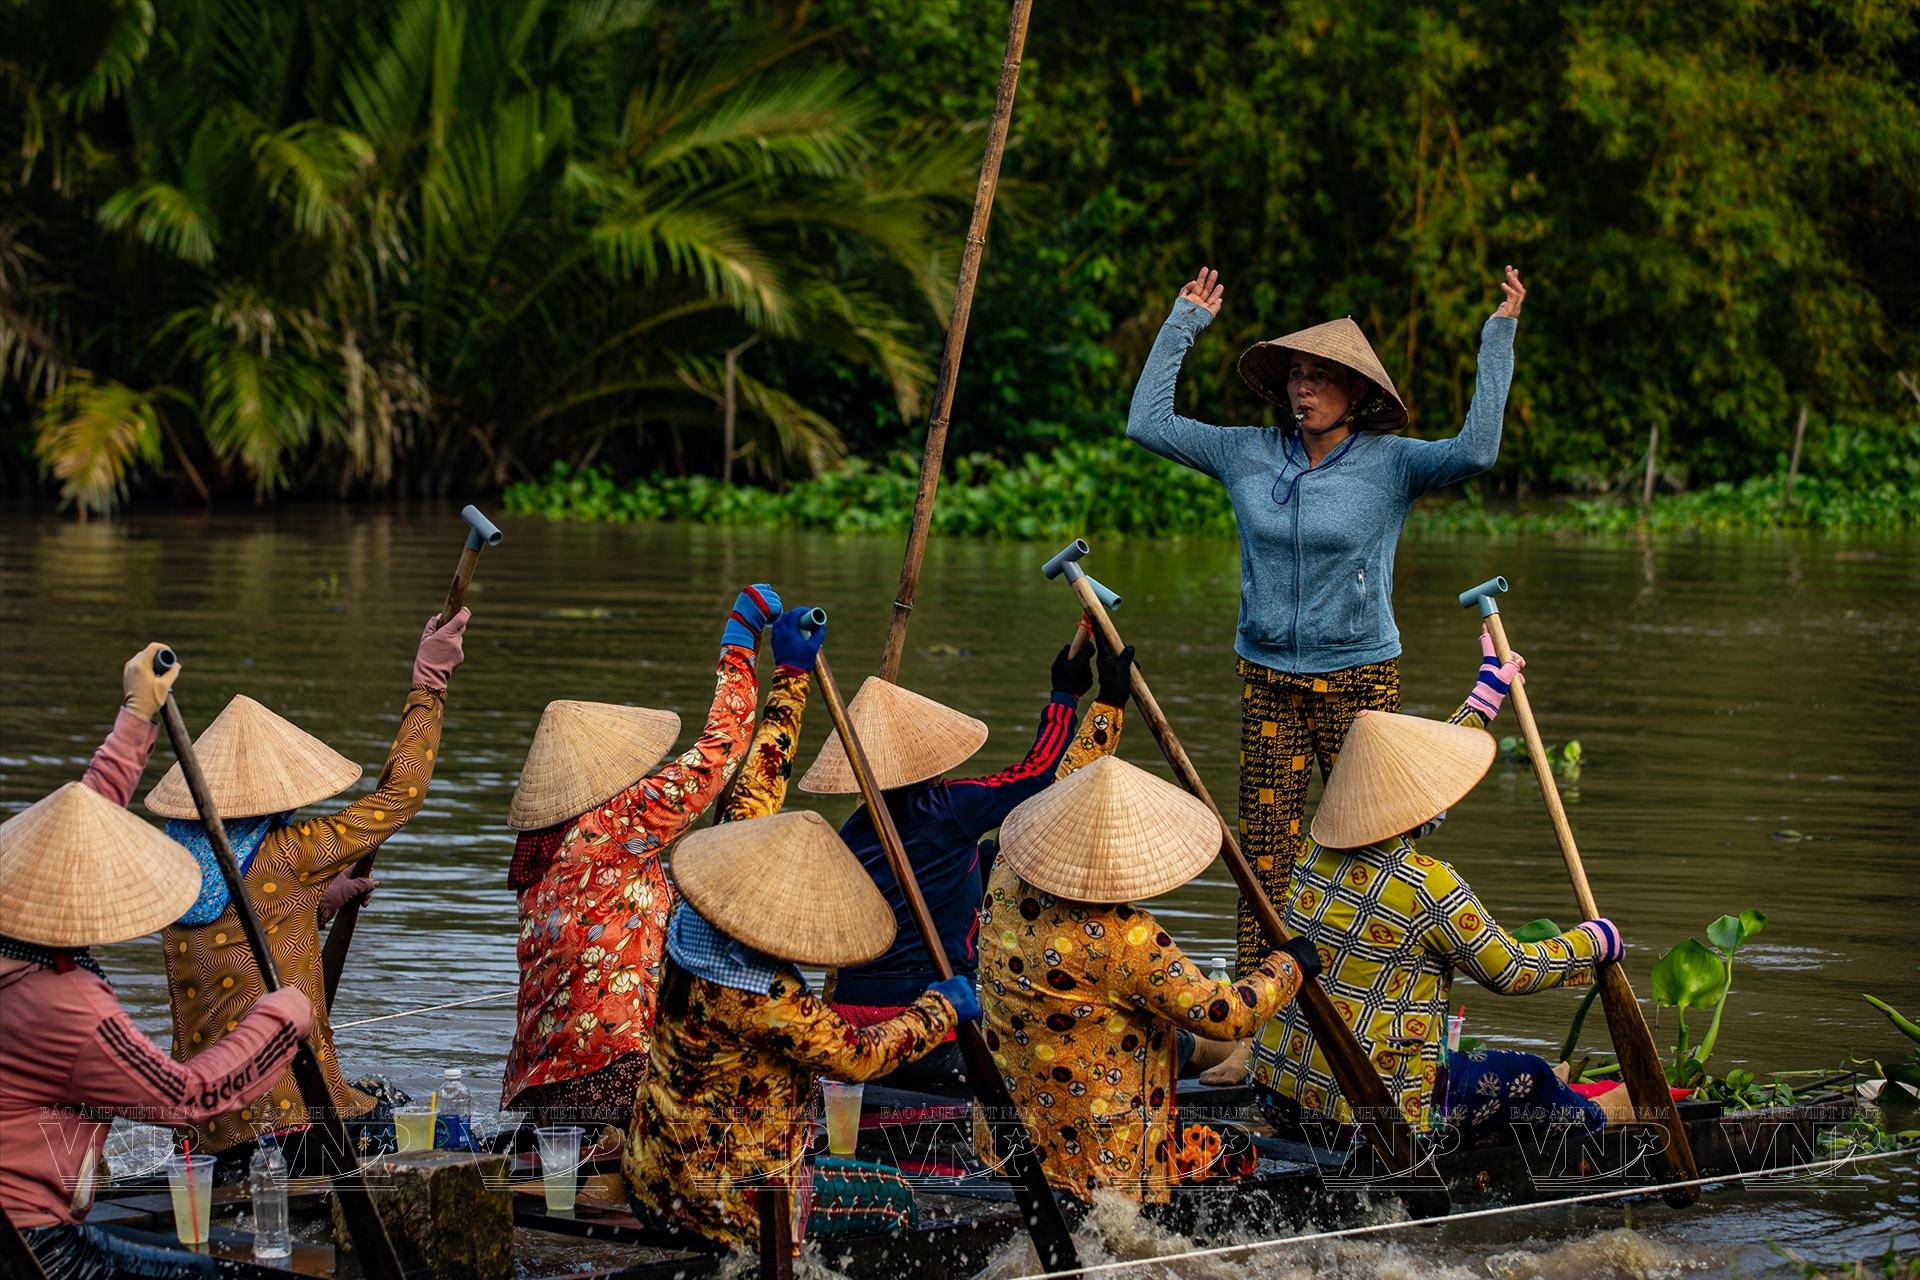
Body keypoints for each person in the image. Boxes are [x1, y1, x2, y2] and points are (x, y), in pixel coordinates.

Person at [1127, 263, 1526, 1084]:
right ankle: (1254, 1034)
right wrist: (1182, 324)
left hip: (1360, 681)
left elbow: (1478, 450)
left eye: (1320, 378)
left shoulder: (1392, 464)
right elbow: (1147, 423)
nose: (1303, 390)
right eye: (1296, 377)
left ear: (1357, 394)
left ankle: (1366, 1017)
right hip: (1267, 677)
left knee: (1374, 852)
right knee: (1263, 860)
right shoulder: (1245, 453)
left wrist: (1499, 335)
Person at [625, 620, 974, 1249]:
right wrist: (939, 1008)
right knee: (895, 1199)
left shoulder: (692, 921)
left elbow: (759, 784)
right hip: (734, 1206)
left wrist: (791, 675)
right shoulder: (768, 998)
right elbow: (859, 1055)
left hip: (654, 1177)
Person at [2, 646, 312, 1280]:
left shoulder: (15, 938)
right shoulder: (71, 1005)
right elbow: (186, 1098)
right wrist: (280, 1021)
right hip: (32, 1247)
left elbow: (78, 828)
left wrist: (137, 715)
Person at [1247, 637, 1628, 1145]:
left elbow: (1417, 786)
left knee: (1460, 1060)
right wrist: (1593, 942)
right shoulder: (1428, 884)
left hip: (1278, 1096)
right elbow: (1511, 971)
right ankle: (1605, 1121)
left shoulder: (1311, 851)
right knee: (1531, 1076)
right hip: (1370, 1115)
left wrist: (1483, 700)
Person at [144, 610, 469, 1175]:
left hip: (204, 1137)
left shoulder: (175, 875)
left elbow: (237, 938)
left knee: (375, 1093)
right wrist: (428, 689)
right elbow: (400, 797)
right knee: (429, 1124)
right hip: (292, 1128)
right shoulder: (290, 854)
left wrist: (314, 904)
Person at [501, 586, 788, 1130]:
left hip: (541, 1088)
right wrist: (739, 646)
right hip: (611, 1070)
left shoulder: (542, 851)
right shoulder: (614, 822)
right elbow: (718, 753)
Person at [974, 754, 1318, 1202]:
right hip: (1108, 1159)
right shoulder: (1126, 938)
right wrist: (1287, 966)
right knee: (1234, 1152)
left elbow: (1067, 775)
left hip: (1008, 1142)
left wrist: (1108, 718)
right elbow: (1226, 1014)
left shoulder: (1003, 880)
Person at [799, 634, 1134, 1092]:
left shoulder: (852, 831)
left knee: (988, 857)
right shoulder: (949, 808)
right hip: (926, 1023)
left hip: (851, 1025)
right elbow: (1037, 775)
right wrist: (1065, 695)